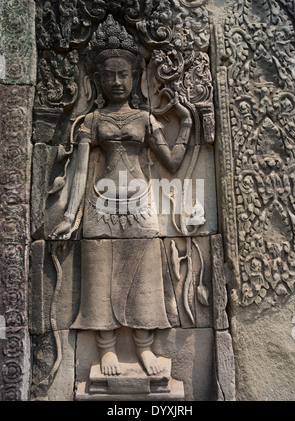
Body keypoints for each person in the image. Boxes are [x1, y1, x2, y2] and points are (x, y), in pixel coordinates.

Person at [50, 49, 192, 376]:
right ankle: (106, 349)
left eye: (123, 75)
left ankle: (144, 347)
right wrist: (71, 216)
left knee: (145, 270)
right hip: (101, 203)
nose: (116, 81)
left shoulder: (144, 119)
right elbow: (81, 172)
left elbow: (171, 162)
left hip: (139, 202)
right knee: (100, 273)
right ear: (98, 81)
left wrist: (184, 123)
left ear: (135, 79)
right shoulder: (93, 121)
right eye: (109, 75)